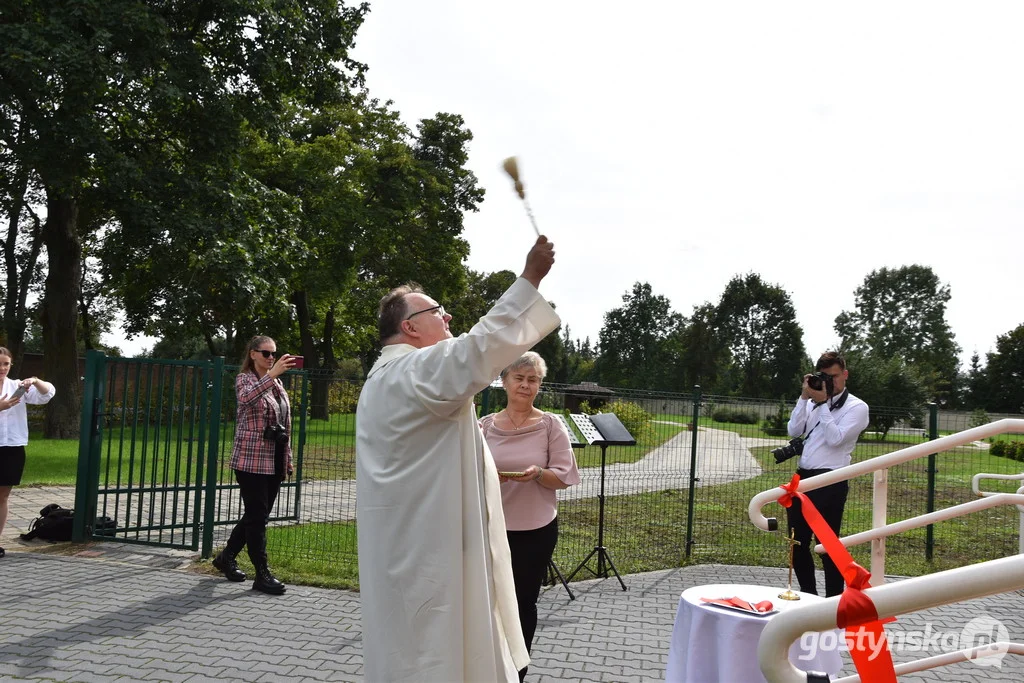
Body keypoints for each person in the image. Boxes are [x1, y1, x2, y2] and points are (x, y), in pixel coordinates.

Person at [356, 235, 559, 683]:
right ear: (409, 327)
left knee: (413, 650)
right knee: (435, 655)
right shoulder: (412, 370)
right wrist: (530, 279)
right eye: (435, 311)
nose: (447, 315)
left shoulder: (384, 377)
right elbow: (477, 350)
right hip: (430, 552)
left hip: (410, 544)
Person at [480, 351, 580, 682]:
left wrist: (538, 473)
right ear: (504, 381)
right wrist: (492, 476)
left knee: (523, 603)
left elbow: (563, 477)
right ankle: (488, 668)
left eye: (533, 379)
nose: (525, 385)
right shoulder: (484, 426)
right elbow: (469, 474)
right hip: (491, 528)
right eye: (519, 378)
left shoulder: (551, 425)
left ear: (539, 385)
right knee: (487, 603)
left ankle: (517, 673)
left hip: (535, 530)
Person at [212, 336, 296, 595]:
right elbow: (246, 399)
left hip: (274, 459)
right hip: (250, 460)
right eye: (266, 353)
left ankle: (226, 557)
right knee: (258, 516)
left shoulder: (278, 384)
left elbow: (284, 423)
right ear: (252, 354)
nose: (271, 357)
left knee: (256, 515)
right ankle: (262, 573)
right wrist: (271, 375)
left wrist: (288, 457)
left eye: (274, 353)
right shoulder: (245, 379)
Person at [785, 351, 869, 597]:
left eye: (834, 377)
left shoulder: (857, 407)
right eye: (825, 377)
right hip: (803, 478)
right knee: (797, 544)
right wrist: (804, 398)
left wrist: (822, 404)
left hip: (831, 481)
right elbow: (793, 429)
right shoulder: (813, 402)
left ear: (845, 375)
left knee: (827, 546)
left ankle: (833, 601)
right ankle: (807, 597)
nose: (830, 382)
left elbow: (835, 440)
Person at [0, 348, 56, 558]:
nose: (2, 368)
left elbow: (47, 394)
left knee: (2, 496)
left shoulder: (17, 386)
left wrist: (34, 380)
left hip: (12, 447)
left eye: (6, 364)